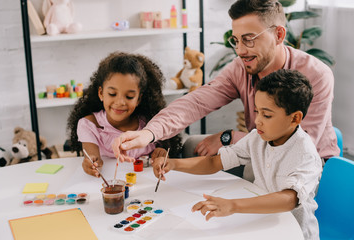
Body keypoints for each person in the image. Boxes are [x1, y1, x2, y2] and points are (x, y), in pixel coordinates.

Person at [112, 0, 339, 171]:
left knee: (250, 172)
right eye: (236, 40)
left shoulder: (316, 75)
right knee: (192, 145)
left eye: (249, 39)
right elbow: (196, 102)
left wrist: (228, 138)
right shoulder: (241, 67)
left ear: (278, 34)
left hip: (305, 162)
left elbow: (297, 144)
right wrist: (149, 133)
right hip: (257, 147)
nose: (240, 50)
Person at [152, 69, 322, 240]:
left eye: (267, 115)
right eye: (257, 111)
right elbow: (214, 163)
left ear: (295, 119)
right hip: (260, 220)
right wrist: (173, 164)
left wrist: (232, 205)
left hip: (293, 232)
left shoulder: (305, 154)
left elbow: (289, 199)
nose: (257, 121)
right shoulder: (258, 137)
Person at [67, 52, 182, 177]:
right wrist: (92, 162)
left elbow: (160, 151)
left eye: (129, 96)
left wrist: (161, 152)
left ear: (138, 99)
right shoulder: (89, 124)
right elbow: (91, 155)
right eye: (112, 94)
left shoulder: (150, 124)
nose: (120, 102)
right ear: (101, 93)